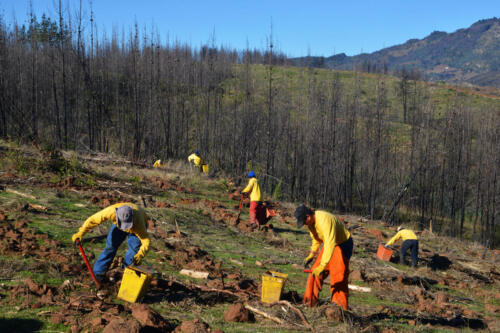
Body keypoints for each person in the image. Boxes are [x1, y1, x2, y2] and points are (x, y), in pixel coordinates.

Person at [71, 203, 151, 282]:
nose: (125, 228)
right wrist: (80, 233)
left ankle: (125, 278)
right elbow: (92, 220)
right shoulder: (110, 212)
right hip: (117, 226)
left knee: (133, 253)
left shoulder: (139, 222)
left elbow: (146, 241)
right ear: (116, 216)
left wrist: (140, 254)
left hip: (135, 227)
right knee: (110, 247)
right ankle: (97, 275)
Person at [295, 204, 353, 309]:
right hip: (329, 245)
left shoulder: (324, 220)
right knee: (314, 272)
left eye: (304, 222)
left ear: (308, 216)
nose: (304, 225)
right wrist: (311, 255)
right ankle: (309, 302)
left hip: (342, 244)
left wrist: (323, 265)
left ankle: (339, 308)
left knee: (337, 276)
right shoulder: (311, 224)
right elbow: (316, 240)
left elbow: (331, 243)